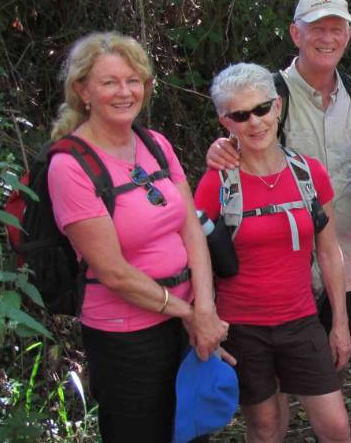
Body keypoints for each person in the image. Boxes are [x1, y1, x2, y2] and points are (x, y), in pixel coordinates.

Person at [47, 32, 228, 442]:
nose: (124, 91)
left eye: (133, 80)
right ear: (82, 91)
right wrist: (192, 314)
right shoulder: (71, 166)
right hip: (125, 335)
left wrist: (205, 305)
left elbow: (191, 229)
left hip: (185, 321)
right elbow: (113, 273)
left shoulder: (156, 145)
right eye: (109, 82)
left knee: (190, 429)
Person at [205, 0, 351, 359]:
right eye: (317, 28)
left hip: (344, 257)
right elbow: (242, 138)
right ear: (296, 34)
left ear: (349, 35)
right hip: (286, 268)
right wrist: (220, 148)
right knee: (286, 369)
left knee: (335, 357)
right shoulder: (268, 95)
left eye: (337, 29)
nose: (328, 38)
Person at [194, 62, 351, 443]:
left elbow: (329, 252)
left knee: (336, 426)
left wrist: (340, 324)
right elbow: (195, 257)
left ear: (278, 106)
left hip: (301, 320)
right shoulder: (217, 182)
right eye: (240, 114)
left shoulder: (308, 173)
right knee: (265, 426)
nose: (255, 122)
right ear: (225, 122)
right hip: (242, 326)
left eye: (262, 108)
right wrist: (203, 320)